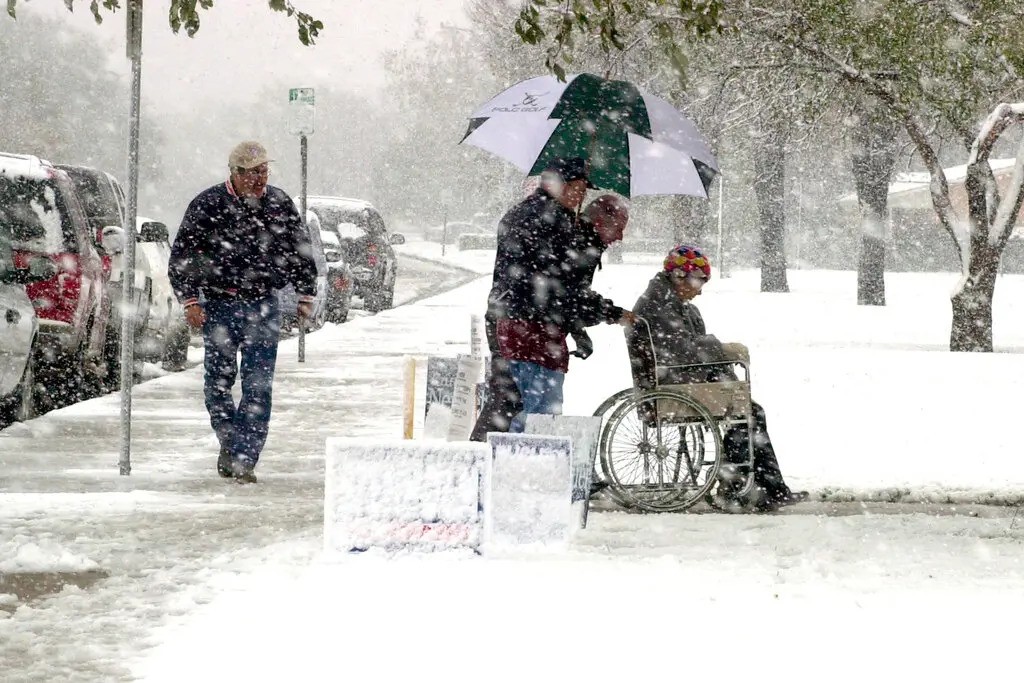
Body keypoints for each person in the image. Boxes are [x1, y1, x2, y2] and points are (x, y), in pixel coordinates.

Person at [168, 141, 317, 483]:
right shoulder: (208, 205)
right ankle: (229, 438)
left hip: (263, 304)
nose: (260, 179)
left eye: (264, 171)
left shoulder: (279, 204)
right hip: (219, 305)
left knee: (258, 385)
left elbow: (299, 250)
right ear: (234, 173)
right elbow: (183, 256)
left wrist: (305, 293)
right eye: (252, 173)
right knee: (218, 382)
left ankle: (245, 457)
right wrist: (189, 300)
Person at [625, 245, 808, 512]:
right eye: (699, 279)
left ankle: (751, 485)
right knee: (747, 412)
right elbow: (682, 351)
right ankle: (745, 485)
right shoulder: (661, 304)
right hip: (673, 386)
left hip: (677, 380)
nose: (701, 288)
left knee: (747, 410)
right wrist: (721, 349)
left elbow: (683, 348)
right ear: (679, 275)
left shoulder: (666, 300)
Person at [469, 186, 631, 441]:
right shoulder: (576, 238)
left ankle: (488, 457)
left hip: (512, 319)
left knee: (509, 400)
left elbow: (566, 296)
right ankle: (495, 459)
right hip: (525, 326)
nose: (620, 236)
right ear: (600, 221)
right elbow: (567, 295)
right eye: (619, 226)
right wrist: (611, 313)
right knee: (520, 404)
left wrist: (578, 330)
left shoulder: (579, 236)